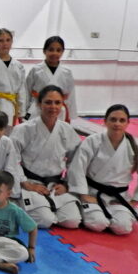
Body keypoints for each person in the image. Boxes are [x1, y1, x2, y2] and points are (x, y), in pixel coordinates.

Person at [68, 104, 138, 235]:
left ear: (127, 123)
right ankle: (96, 213)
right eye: (113, 119)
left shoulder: (134, 148)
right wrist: (84, 195)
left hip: (118, 197)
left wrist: (134, 201)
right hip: (93, 193)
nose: (117, 124)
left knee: (123, 228)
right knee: (97, 223)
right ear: (105, 121)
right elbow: (77, 168)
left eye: (122, 120)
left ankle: (112, 216)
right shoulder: (92, 141)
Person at [10, 85, 82, 229]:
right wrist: (25, 183)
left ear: (62, 104)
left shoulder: (67, 130)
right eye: (48, 102)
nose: (53, 107)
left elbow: (76, 162)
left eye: (57, 102)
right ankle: (16, 201)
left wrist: (66, 184)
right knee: (45, 220)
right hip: (31, 182)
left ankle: (45, 205)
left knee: (72, 221)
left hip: (55, 184)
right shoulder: (24, 129)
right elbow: (11, 160)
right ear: (39, 104)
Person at [24, 36, 78, 123]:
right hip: (37, 108)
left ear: (62, 52)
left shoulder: (67, 72)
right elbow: (26, 91)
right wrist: (23, 111)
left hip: (58, 109)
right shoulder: (36, 70)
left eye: (58, 50)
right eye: (51, 49)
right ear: (44, 51)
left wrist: (71, 115)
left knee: (57, 129)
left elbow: (71, 95)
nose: (54, 53)